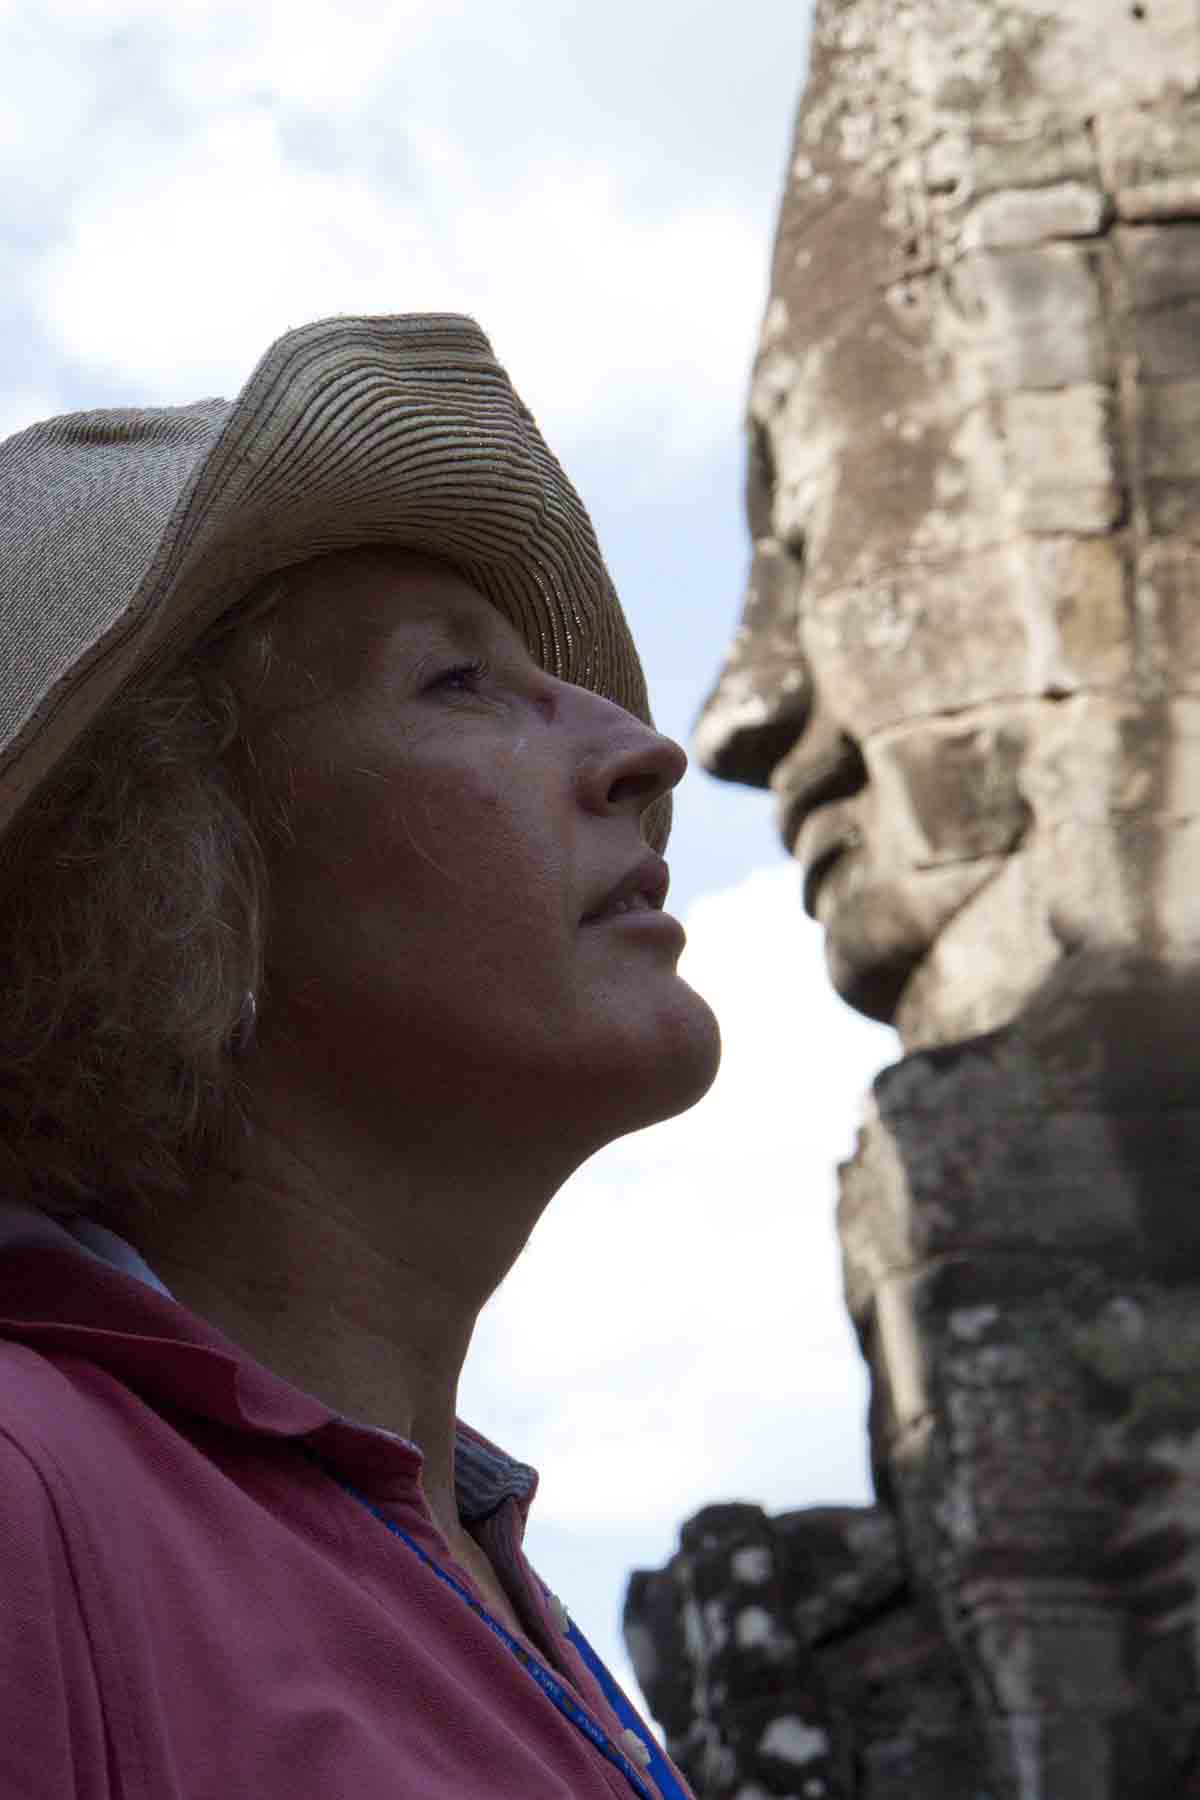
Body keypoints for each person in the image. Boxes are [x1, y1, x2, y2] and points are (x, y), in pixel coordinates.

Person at [0, 314, 722, 1799]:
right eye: (457, 682)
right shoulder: (28, 1505)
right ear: (159, 866)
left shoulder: (478, 1561)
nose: (646, 757)